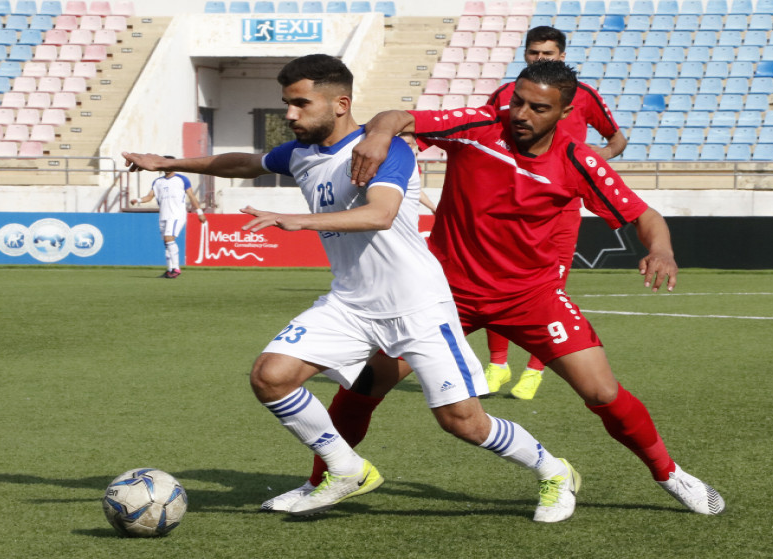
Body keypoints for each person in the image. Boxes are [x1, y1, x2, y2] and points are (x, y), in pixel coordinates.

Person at [123, 54, 582, 522]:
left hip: (417, 305)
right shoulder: (300, 152)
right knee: (271, 376)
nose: (290, 115)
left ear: (340, 103)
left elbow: (380, 214)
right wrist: (169, 162)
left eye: (301, 104)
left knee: (462, 422)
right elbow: (246, 161)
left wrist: (298, 221)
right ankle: (347, 470)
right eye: (286, 104)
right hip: (351, 303)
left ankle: (554, 471)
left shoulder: (387, 150)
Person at [270, 60, 725, 517]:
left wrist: (661, 249)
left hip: (533, 297)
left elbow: (645, 216)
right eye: (517, 101)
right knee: (364, 387)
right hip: (443, 295)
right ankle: (324, 480)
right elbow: (398, 118)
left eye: (538, 108)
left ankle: (670, 474)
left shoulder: (577, 160)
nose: (521, 114)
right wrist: (378, 133)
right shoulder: (481, 126)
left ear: (565, 112)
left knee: (603, 393)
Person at [482, 25, 630, 400]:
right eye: (534, 53)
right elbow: (483, 139)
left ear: (561, 56)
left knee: (549, 287)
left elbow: (617, 139)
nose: (540, 59)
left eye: (547, 54)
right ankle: (497, 365)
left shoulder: (582, 96)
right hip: (508, 205)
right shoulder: (504, 96)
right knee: (495, 281)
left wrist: (590, 163)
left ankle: (534, 370)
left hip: (560, 209)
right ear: (525, 54)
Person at [130, 156, 207, 278]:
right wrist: (138, 200)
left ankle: (176, 268)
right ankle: (170, 269)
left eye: (168, 164)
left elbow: (192, 196)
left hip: (176, 214)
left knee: (169, 239)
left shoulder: (182, 179)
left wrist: (200, 213)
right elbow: (149, 197)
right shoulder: (158, 182)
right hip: (163, 215)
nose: (166, 167)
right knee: (167, 243)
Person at [398, 131, 437, 214]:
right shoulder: (391, 160)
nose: (403, 146)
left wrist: (433, 207)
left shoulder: (413, 164)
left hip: (406, 208)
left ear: (414, 145)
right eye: (400, 142)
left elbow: (415, 190)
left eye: (407, 143)